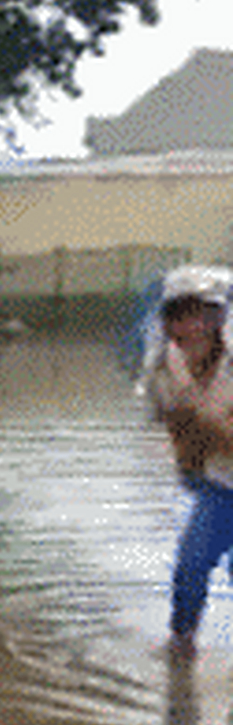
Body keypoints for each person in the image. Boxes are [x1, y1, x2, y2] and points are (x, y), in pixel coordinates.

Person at [140, 264, 233, 658]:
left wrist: (207, 428)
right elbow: (176, 432)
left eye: (201, 315)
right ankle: (182, 643)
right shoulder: (164, 367)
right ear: (166, 322)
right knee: (191, 564)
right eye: (179, 316)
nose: (191, 327)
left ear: (219, 318)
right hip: (220, 483)